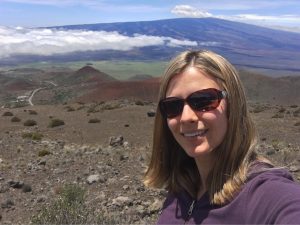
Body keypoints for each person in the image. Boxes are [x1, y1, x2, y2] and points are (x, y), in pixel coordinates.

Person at [144, 50, 300, 224]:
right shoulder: (181, 187)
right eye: (173, 105)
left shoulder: (265, 194)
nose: (186, 117)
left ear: (232, 105)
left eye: (203, 100)